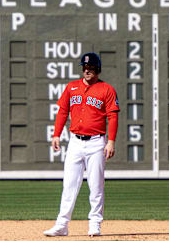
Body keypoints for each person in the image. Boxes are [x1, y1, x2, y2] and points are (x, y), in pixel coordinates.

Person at [43, 52, 119, 238]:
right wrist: (56, 134)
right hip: (75, 142)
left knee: (96, 186)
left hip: (96, 143)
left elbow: (113, 116)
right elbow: (62, 112)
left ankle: (95, 225)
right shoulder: (72, 87)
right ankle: (62, 225)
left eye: (91, 67)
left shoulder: (106, 89)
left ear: (97, 69)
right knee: (69, 184)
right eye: (85, 67)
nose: (87, 70)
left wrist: (111, 141)